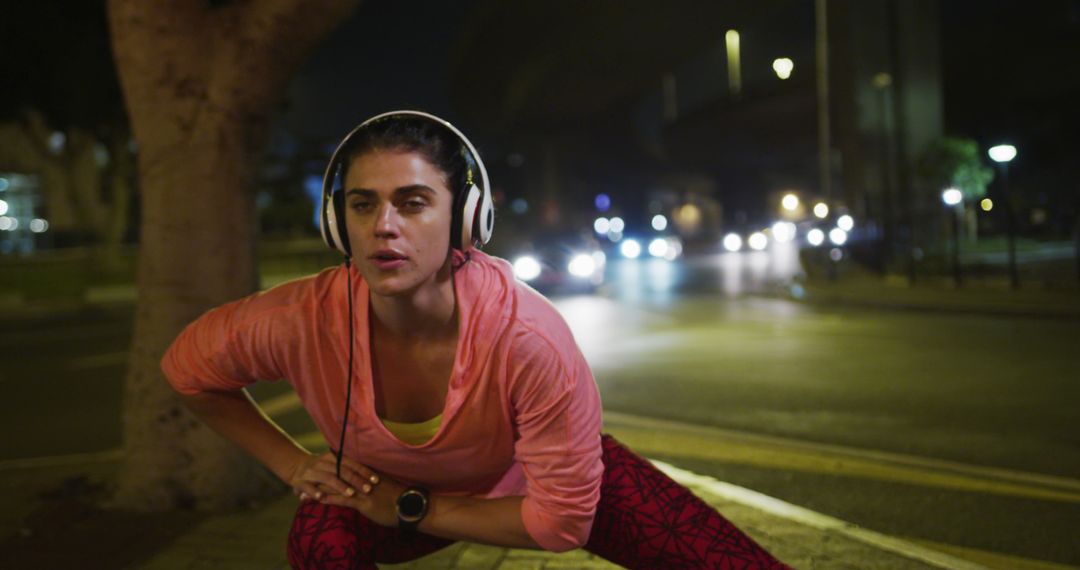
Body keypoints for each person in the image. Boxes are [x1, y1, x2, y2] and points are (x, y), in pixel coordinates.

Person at [161, 110, 789, 569]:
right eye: (362, 204)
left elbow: (562, 522)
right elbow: (188, 370)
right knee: (319, 542)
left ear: (466, 218)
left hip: (529, 482)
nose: (384, 227)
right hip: (380, 491)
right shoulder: (300, 317)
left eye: (412, 203)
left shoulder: (526, 336)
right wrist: (293, 464)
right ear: (337, 221)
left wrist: (409, 506)